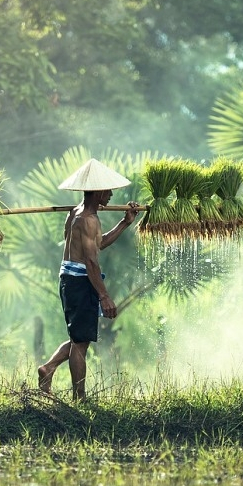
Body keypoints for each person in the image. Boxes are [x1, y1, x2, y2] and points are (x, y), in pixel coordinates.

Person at [38, 158, 140, 401]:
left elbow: (99, 243)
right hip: (79, 281)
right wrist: (104, 296)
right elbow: (92, 261)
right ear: (97, 192)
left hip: (70, 278)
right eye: (108, 190)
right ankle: (79, 398)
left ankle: (48, 368)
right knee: (81, 344)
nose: (112, 194)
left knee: (78, 338)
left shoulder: (77, 213)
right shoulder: (88, 219)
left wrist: (125, 223)